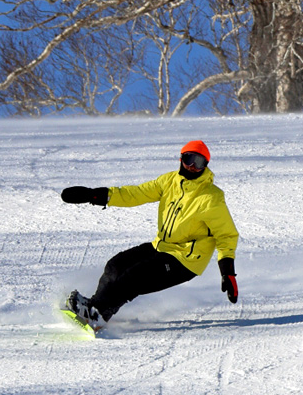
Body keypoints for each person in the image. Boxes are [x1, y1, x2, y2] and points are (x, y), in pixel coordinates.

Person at [60, 140, 239, 330]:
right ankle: (94, 307)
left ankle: (99, 314)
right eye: (189, 159)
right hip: (161, 247)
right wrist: (96, 195)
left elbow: (226, 235)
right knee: (116, 265)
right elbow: (136, 194)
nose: (193, 167)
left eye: (200, 163)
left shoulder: (211, 197)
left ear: (206, 166)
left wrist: (227, 271)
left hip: (186, 260)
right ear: (181, 159)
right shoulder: (169, 181)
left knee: (133, 277)